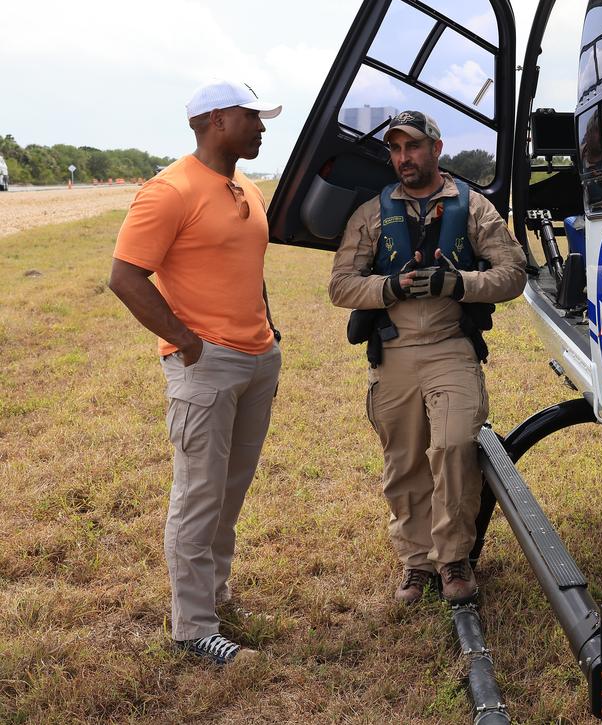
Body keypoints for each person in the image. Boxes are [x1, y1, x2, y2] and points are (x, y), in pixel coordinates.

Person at [109, 80, 283, 666]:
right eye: (253, 117)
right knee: (199, 496)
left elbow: (244, 266)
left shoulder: (246, 188)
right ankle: (193, 630)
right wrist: (185, 340)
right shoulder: (169, 190)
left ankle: (215, 595)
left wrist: (267, 327)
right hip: (204, 364)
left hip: (257, 359)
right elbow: (126, 277)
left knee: (229, 492)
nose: (262, 127)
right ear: (216, 120)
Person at [329, 110, 525, 605]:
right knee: (405, 462)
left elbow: (514, 273)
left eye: (412, 147)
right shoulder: (371, 214)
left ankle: (454, 557)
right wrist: (389, 287)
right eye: (395, 150)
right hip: (393, 353)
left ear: (436, 149)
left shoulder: (473, 207)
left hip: (450, 349)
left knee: (456, 446)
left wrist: (460, 283)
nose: (403, 158)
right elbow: (341, 286)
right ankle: (416, 564)